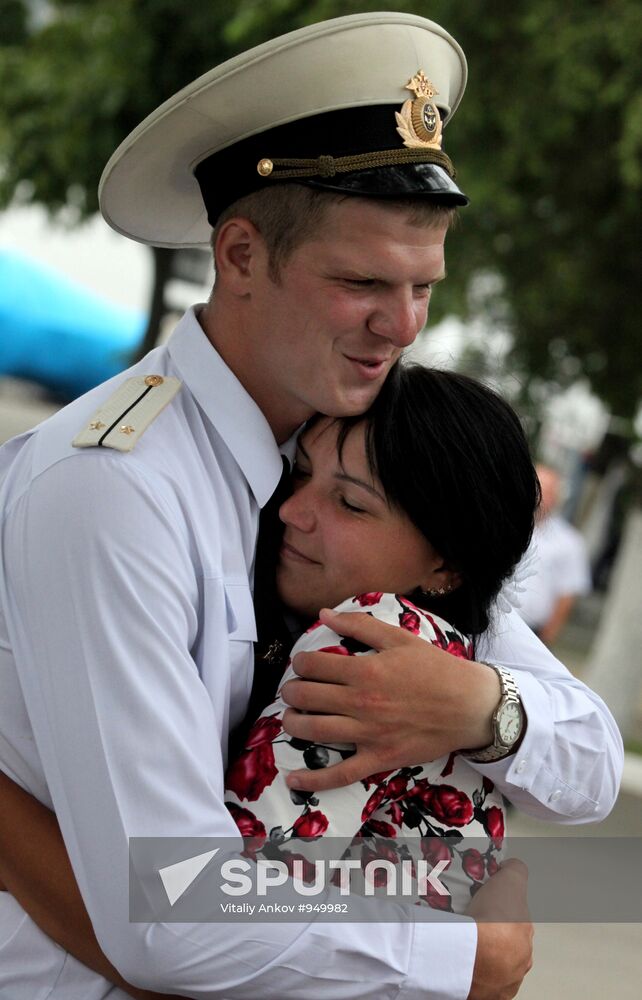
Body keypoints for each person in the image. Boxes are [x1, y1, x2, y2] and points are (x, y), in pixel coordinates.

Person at [0, 11, 621, 1000]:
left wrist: (477, 705)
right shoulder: (113, 488)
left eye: (425, 286)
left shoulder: (367, 452)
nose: (401, 325)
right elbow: (171, 907)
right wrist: (467, 954)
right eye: (362, 281)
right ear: (240, 255)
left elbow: (587, 758)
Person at [515, 463, 592, 645]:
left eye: (547, 491)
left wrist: (547, 637)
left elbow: (567, 594)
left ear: (557, 497)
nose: (539, 496)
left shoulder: (569, 542)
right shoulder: (504, 527)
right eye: (535, 487)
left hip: (531, 632)